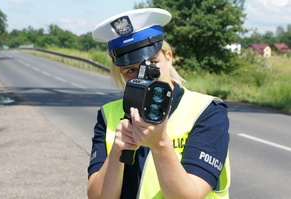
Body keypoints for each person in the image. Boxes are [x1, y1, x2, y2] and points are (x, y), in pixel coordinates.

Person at [87, 8, 230, 199]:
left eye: (150, 64)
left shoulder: (206, 111)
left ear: (168, 57)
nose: (142, 75)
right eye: (130, 70)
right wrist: (117, 152)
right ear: (120, 73)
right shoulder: (107, 115)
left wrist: (160, 144)